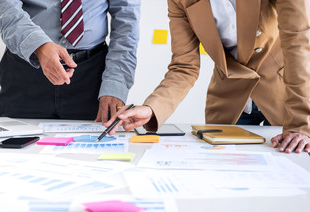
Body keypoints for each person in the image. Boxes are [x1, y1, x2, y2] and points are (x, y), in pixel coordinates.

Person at [106, 0, 310, 154]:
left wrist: (301, 122)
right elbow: (184, 67)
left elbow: (298, 43)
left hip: (290, 96)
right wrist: (152, 108)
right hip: (230, 102)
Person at [0, 0, 140, 123]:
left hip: (93, 77)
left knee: (91, 157)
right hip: (26, 69)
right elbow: (2, 4)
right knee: (13, 153)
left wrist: (116, 84)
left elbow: (127, 23)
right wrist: (38, 45)